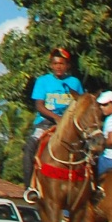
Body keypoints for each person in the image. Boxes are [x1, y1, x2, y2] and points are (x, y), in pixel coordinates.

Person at [24, 48, 87, 204]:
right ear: (51, 65)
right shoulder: (42, 81)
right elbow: (39, 105)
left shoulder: (75, 83)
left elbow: (81, 105)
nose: (58, 66)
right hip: (46, 122)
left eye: (62, 63)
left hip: (71, 125)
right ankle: (30, 188)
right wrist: (57, 118)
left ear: (67, 65)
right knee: (29, 148)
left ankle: (92, 186)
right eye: (55, 63)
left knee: (91, 147)